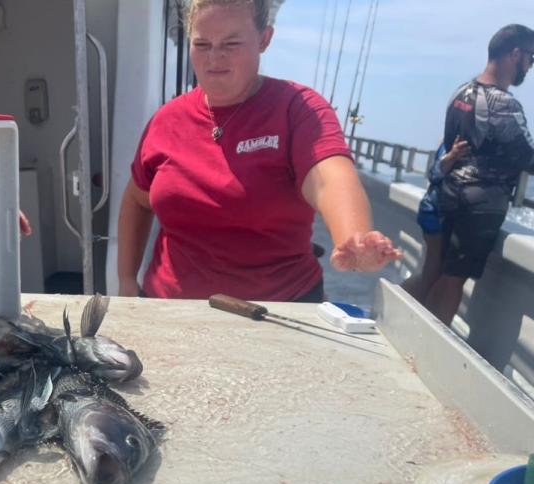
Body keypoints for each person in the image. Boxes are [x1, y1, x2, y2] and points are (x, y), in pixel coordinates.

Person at [117, 0, 401, 301]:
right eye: (202, 44)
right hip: (170, 306)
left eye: (231, 43)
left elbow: (327, 176)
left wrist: (353, 236)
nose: (215, 58)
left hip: (278, 311)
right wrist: (125, 280)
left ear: (264, 39)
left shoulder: (297, 108)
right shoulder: (166, 120)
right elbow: (137, 199)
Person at [424, 24, 534, 325]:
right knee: (453, 281)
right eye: (531, 57)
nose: (530, 66)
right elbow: (528, 157)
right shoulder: (504, 103)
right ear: (515, 54)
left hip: (450, 195)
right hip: (478, 205)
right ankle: (431, 350)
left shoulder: (461, 91)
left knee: (443, 275)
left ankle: (420, 337)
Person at [401, 137, 471, 303]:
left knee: (435, 271)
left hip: (446, 213)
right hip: (434, 212)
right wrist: (452, 155)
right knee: (432, 271)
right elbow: (434, 173)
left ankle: (399, 301)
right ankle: (397, 304)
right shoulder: (455, 138)